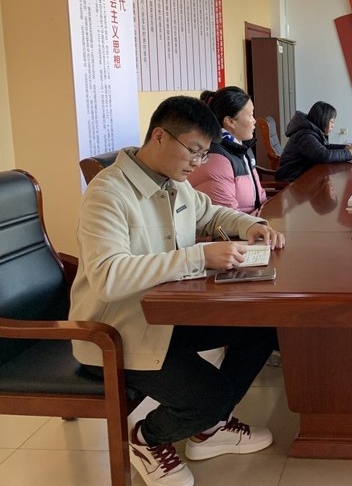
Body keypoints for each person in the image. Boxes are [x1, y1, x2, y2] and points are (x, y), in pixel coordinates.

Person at [69, 96, 286, 486]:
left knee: (262, 326)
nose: (198, 163)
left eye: (204, 154)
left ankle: (209, 427)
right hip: (117, 332)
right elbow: (108, 276)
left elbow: (210, 213)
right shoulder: (108, 194)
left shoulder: (174, 183)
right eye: (194, 151)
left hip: (166, 316)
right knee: (211, 395)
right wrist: (198, 256)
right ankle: (147, 438)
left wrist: (249, 225)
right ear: (159, 137)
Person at [188, 86, 266, 214]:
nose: (254, 121)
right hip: (235, 225)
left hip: (251, 221)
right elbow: (227, 216)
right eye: (251, 115)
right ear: (229, 121)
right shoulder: (216, 158)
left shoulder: (241, 148)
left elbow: (260, 195)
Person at [276, 101, 352, 182]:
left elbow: (325, 147)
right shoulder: (305, 135)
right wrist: (349, 154)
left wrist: (346, 147)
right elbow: (324, 155)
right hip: (292, 180)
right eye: (331, 122)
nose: (333, 125)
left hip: (304, 176)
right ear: (323, 120)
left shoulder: (311, 131)